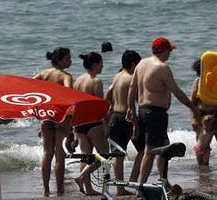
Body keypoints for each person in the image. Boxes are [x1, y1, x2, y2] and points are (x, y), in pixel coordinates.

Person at [127, 37, 200, 184]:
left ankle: (163, 180)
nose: (170, 54)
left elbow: (131, 89)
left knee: (164, 147)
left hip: (143, 111)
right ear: (164, 50)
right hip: (155, 114)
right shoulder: (162, 67)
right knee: (150, 151)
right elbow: (177, 91)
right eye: (169, 51)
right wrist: (193, 107)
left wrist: (132, 111)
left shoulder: (141, 64)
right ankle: (142, 185)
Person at [33, 47, 73, 197]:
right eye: (68, 58)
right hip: (60, 117)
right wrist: (67, 120)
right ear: (60, 60)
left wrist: (38, 113)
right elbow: (69, 98)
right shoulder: (66, 76)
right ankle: (60, 189)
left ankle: (46, 189)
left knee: (46, 153)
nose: (71, 61)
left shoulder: (43, 74)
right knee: (59, 154)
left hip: (45, 116)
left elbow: (29, 89)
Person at [106, 50, 144, 194]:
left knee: (118, 155)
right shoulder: (131, 79)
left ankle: (120, 189)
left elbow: (108, 95)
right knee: (143, 151)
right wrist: (135, 124)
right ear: (133, 64)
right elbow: (135, 103)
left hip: (115, 116)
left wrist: (109, 110)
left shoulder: (117, 76)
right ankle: (134, 181)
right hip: (127, 117)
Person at [72, 52, 110, 195]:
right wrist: (105, 124)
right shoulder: (96, 81)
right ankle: (81, 176)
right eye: (101, 63)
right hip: (93, 122)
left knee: (86, 156)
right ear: (95, 64)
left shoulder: (77, 81)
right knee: (105, 155)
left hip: (80, 124)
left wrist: (74, 131)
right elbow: (100, 106)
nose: (103, 65)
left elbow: (75, 105)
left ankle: (88, 189)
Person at [189, 59, 217, 167]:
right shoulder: (198, 82)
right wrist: (193, 119)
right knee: (202, 146)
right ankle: (203, 168)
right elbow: (192, 103)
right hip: (203, 116)